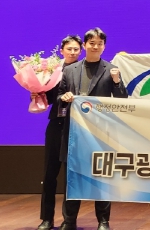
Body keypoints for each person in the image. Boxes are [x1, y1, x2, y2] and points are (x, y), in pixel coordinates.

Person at [56, 28, 127, 230]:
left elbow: (122, 100)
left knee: (101, 178)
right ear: (85, 45)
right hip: (75, 133)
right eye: (92, 43)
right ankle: (69, 221)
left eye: (100, 44)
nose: (95, 47)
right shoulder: (70, 70)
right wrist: (64, 97)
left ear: (104, 46)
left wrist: (117, 82)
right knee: (72, 178)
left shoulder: (111, 70)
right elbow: (59, 96)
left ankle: (103, 221)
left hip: (100, 133)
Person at [35, 35, 83, 230]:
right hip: (56, 124)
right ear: (61, 50)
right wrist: (36, 93)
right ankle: (46, 219)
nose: (72, 52)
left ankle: (69, 220)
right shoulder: (51, 71)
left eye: (76, 49)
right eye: (69, 49)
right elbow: (46, 97)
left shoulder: (83, 70)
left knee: (71, 176)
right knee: (49, 174)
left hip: (77, 126)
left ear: (81, 51)